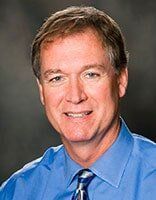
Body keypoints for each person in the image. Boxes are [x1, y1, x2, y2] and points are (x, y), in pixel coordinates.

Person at [0, 6, 156, 200]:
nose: (75, 96)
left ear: (121, 80)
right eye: (57, 78)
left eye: (90, 74)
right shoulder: (17, 191)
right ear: (42, 91)